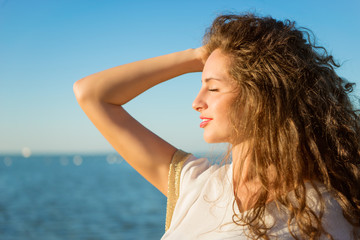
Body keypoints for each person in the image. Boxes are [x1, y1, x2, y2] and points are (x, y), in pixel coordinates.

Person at [73, 13, 360, 239]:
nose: (197, 102)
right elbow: (91, 94)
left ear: (260, 97)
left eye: (212, 89)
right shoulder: (196, 185)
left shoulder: (324, 209)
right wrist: (198, 56)